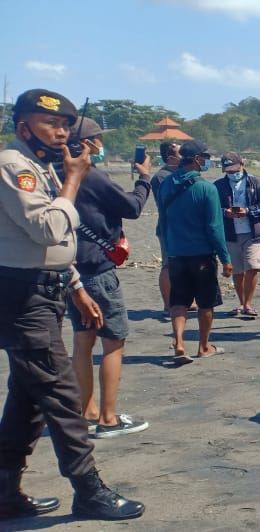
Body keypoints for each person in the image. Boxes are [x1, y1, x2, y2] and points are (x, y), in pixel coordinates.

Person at [0, 88, 144, 521]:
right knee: (63, 397)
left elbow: (60, 246)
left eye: (66, 125)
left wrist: (76, 286)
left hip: (48, 289)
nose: (62, 133)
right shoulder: (14, 166)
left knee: (26, 401)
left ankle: (5, 491)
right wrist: (74, 177)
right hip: (23, 296)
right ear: (24, 127)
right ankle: (89, 490)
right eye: (51, 124)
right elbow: (47, 228)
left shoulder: (44, 168)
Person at [66, 117, 153, 439]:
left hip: (71, 271)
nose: (101, 144)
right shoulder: (91, 176)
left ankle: (87, 413)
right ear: (88, 144)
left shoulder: (57, 174)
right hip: (97, 271)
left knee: (82, 342)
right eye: (98, 139)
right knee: (113, 342)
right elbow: (131, 207)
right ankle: (108, 418)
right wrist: (144, 179)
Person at [157, 140, 233, 363]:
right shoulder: (206, 188)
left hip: (176, 254)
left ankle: (179, 343)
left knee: (178, 301)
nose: (207, 162)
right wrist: (225, 258)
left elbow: (164, 221)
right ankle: (203, 346)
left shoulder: (166, 184)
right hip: (201, 255)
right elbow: (214, 227)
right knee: (206, 303)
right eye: (205, 158)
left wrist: (169, 249)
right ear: (198, 159)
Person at [213, 152, 260, 317]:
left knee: (252, 267)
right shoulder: (218, 186)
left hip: (252, 232)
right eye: (228, 171)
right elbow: (213, 209)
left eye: (235, 169)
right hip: (230, 233)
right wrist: (225, 212)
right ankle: (242, 303)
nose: (232, 174)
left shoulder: (255, 182)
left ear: (242, 164)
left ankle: (248, 304)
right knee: (237, 271)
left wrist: (248, 211)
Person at [152, 141, 180, 313]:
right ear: (171, 157)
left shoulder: (179, 173)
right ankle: (168, 303)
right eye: (180, 152)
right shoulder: (161, 176)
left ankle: (181, 300)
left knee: (182, 264)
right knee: (168, 265)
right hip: (168, 227)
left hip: (182, 226)